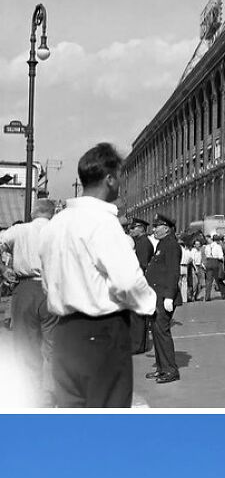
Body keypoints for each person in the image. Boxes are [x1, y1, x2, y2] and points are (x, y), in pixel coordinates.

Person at [39, 143, 156, 408]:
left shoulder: (55, 225)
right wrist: (149, 304)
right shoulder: (103, 222)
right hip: (102, 332)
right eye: (119, 178)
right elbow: (127, 281)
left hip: (65, 333)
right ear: (110, 179)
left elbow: (48, 281)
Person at [0, 198, 57, 404]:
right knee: (53, 345)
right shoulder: (61, 230)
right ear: (52, 213)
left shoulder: (19, 230)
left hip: (25, 288)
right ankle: (51, 396)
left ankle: (32, 394)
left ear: (33, 212)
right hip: (54, 289)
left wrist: (3, 269)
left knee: (26, 345)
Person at [145, 213, 181, 384]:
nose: (154, 229)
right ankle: (161, 368)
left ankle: (170, 370)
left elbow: (173, 272)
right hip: (156, 296)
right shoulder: (163, 244)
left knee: (162, 333)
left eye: (156, 226)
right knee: (157, 333)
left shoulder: (171, 245)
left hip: (164, 296)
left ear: (166, 228)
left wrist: (169, 296)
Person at [129, 218, 154, 355]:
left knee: (137, 315)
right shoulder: (140, 242)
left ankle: (137, 345)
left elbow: (142, 264)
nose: (131, 230)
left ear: (141, 229)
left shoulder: (143, 243)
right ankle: (139, 344)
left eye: (133, 228)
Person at [204, 235, 225, 301]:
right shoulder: (218, 246)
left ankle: (207, 296)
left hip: (209, 261)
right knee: (218, 279)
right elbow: (221, 256)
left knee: (209, 280)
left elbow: (206, 254)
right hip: (216, 262)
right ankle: (224, 294)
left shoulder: (207, 246)